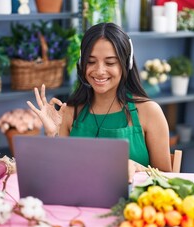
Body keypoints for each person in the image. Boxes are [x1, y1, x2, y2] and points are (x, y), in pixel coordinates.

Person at [27, 22, 172, 182]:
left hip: (131, 205)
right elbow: (58, 175)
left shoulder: (149, 112)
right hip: (80, 202)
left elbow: (168, 180)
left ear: (126, 64)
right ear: (82, 64)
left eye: (110, 62)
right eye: (90, 62)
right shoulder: (70, 111)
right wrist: (52, 134)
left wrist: (139, 168)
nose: (99, 71)